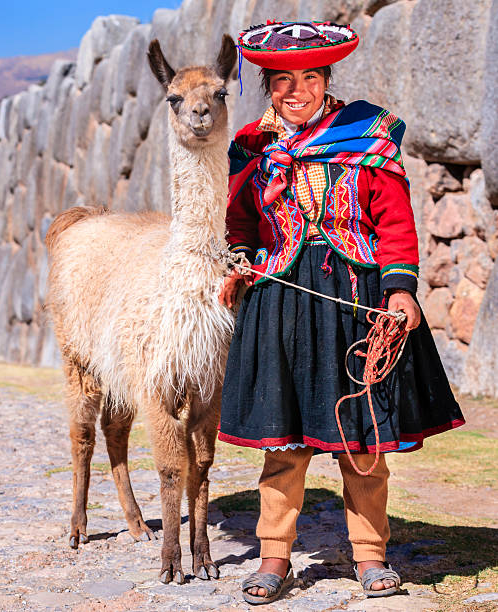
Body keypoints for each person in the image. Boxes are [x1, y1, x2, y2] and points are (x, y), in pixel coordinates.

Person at [217, 21, 465, 605]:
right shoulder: (252, 147)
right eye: (281, 81)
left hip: (354, 306)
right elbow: (241, 228)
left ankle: (370, 556)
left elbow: (396, 227)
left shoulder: (365, 136)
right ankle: (274, 557)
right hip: (279, 304)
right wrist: (243, 257)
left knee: (362, 440)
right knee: (284, 445)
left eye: (308, 77)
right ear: (267, 85)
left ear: (326, 79)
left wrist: (401, 292)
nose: (295, 90)